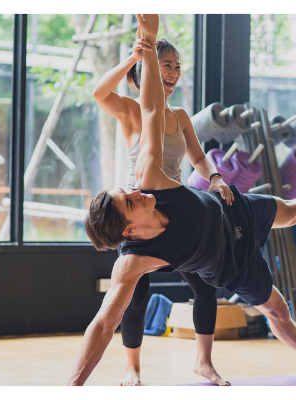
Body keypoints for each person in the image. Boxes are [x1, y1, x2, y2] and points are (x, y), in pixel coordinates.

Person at [69, 14, 296, 386]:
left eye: (177, 66)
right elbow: (102, 324)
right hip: (225, 258)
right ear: (128, 226)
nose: (134, 191)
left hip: (227, 210)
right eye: (129, 199)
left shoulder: (151, 179)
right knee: (275, 307)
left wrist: (216, 177)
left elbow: (157, 114)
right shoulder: (131, 261)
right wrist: (73, 387)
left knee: (293, 211)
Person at [92, 22, 233, 387]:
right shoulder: (129, 110)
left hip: (173, 210)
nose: (172, 72)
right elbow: (98, 92)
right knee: (137, 294)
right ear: (147, 73)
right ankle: (132, 368)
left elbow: (200, 160)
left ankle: (204, 362)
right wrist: (134, 56)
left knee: (204, 287)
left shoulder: (181, 116)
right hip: (136, 212)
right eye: (165, 65)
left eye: (176, 66)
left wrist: (215, 177)